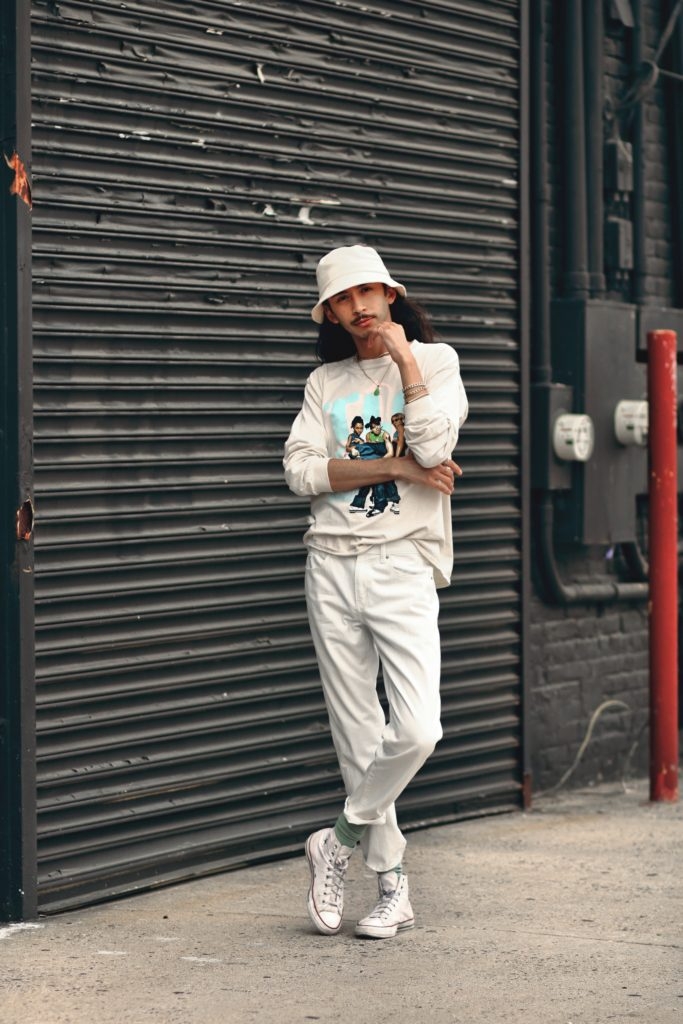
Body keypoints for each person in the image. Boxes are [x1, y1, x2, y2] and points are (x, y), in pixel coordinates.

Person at [283, 244, 468, 939]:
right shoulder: (325, 382)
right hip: (330, 563)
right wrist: (395, 467)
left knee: (418, 728)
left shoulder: (437, 361)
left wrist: (405, 363)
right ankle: (392, 887)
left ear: (390, 295)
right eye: (342, 297)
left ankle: (336, 840)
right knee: (357, 731)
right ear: (330, 312)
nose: (357, 306)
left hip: (401, 562)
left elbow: (434, 447)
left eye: (367, 291)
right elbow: (300, 472)